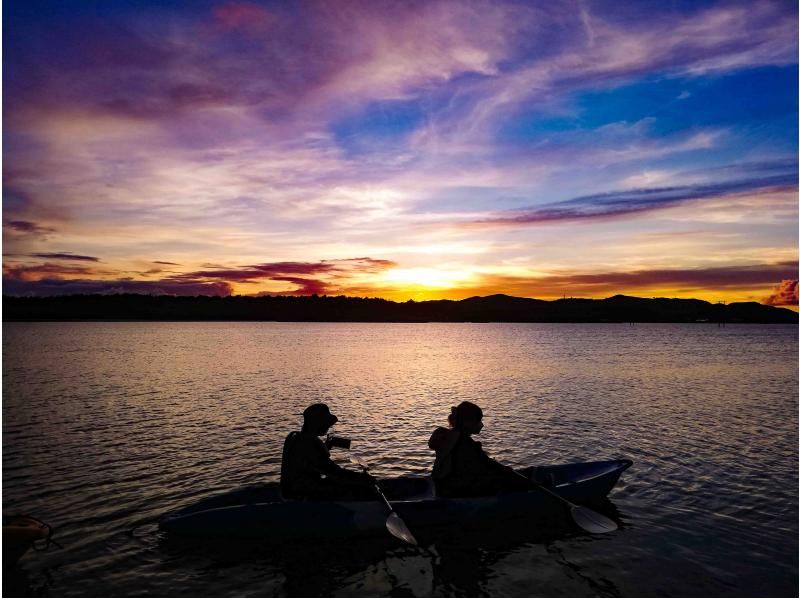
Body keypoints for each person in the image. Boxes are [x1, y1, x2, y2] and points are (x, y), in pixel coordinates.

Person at [428, 401, 531, 497]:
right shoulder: (466, 443)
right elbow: (487, 463)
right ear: (468, 422)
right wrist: (506, 470)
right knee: (503, 480)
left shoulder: (446, 437)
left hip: (439, 486)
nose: (481, 424)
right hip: (457, 490)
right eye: (479, 420)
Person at [280, 403, 375, 501]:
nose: (328, 427)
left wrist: (325, 448)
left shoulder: (297, 437)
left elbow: (310, 462)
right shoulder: (311, 443)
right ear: (319, 424)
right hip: (301, 493)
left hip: (291, 488)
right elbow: (334, 472)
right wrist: (361, 479)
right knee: (352, 489)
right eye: (326, 424)